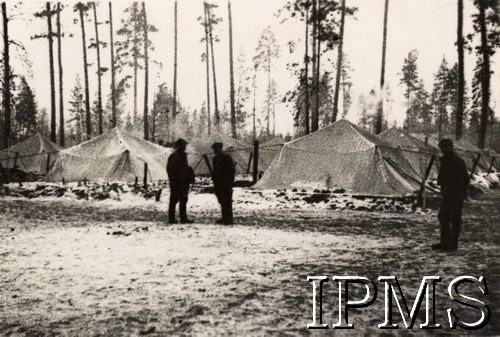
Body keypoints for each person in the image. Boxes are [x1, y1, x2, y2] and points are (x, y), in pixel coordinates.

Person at [433, 138, 469, 251]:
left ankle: (452, 244)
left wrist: (458, 192)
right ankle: (445, 242)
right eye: (441, 147)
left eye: (445, 147)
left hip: (455, 194)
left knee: (454, 218)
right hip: (448, 194)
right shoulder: (446, 160)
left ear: (450, 147)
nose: (443, 149)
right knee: (443, 217)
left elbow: (465, 179)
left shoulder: (457, 161)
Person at [167, 138, 194, 224]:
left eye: (185, 145)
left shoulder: (183, 155)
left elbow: (185, 168)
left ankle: (183, 218)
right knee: (174, 200)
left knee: (183, 200)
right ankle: (171, 218)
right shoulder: (173, 156)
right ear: (178, 146)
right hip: (177, 182)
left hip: (184, 182)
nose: (184, 147)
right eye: (183, 145)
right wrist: (173, 180)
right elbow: (170, 170)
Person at [212, 142, 236, 224]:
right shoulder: (215, 159)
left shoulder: (226, 158)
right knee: (222, 200)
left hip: (226, 182)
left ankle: (229, 218)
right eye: (214, 149)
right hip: (219, 183)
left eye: (216, 149)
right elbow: (214, 171)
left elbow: (231, 170)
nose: (215, 151)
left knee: (227, 201)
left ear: (220, 149)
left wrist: (229, 181)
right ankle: (224, 217)